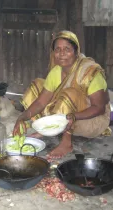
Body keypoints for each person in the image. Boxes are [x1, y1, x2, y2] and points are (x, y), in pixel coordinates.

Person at [13, 30, 111, 159]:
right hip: (69, 116)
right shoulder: (56, 71)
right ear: (53, 53)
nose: (62, 53)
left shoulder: (90, 72)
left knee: (69, 94)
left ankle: (66, 142)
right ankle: (45, 130)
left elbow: (99, 108)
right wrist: (21, 118)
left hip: (91, 120)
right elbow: (41, 102)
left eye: (67, 49)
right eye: (57, 49)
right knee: (37, 85)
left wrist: (73, 116)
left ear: (76, 51)